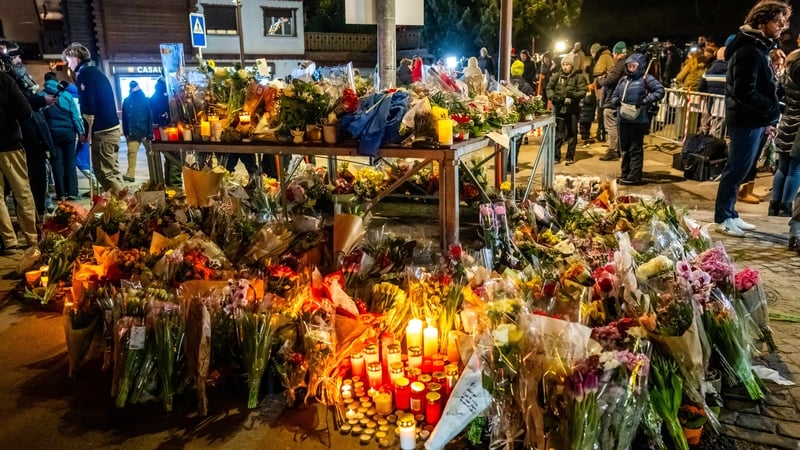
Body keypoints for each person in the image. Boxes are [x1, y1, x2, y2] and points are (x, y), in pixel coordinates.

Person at [714, 0, 791, 237]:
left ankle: (731, 213)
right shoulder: (748, 50)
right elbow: (744, 90)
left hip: (754, 120)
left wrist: (767, 117)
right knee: (736, 169)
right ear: (762, 22)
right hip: (745, 120)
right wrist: (771, 109)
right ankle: (723, 217)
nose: (782, 27)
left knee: (743, 169)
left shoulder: (757, 47)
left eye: (784, 22)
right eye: (777, 22)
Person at [62, 42, 124, 193]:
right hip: (111, 128)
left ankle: (124, 205)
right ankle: (126, 205)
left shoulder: (85, 74)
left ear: (75, 58)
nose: (68, 66)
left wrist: (85, 131)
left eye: (68, 61)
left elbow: (88, 105)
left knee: (105, 173)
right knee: (113, 171)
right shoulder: (95, 71)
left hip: (102, 131)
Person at [610, 53, 665, 185]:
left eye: (634, 66)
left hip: (638, 119)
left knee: (635, 148)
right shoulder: (623, 80)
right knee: (624, 148)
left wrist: (644, 101)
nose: (631, 68)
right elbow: (614, 94)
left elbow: (660, 91)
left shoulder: (646, 79)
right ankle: (625, 173)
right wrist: (616, 101)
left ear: (640, 66)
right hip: (623, 119)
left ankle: (634, 176)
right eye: (629, 66)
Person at [0, 71, 39, 254]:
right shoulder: (4, 80)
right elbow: (25, 111)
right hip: (9, 144)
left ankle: (9, 241)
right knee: (22, 191)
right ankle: (31, 237)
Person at [41, 77, 84, 200]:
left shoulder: (42, 96)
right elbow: (75, 116)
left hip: (52, 136)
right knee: (70, 161)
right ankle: (72, 192)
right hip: (68, 134)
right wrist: (80, 131)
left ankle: (61, 194)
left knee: (56, 163)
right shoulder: (66, 95)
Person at [769, 50, 800, 216]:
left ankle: (774, 205)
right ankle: (786, 206)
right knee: (796, 169)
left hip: (787, 122)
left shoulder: (786, 75)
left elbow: (776, 96)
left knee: (783, 167)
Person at [546, 53, 588, 165]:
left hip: (572, 110)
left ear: (572, 66)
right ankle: (556, 156)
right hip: (559, 109)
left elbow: (583, 91)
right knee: (558, 134)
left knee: (572, 134)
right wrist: (553, 97)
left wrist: (573, 95)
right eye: (563, 64)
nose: (565, 67)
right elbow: (549, 87)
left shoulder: (578, 77)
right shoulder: (556, 76)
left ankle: (570, 156)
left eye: (567, 65)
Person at [596, 41, 628, 161]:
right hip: (619, 99)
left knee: (611, 125)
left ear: (617, 53)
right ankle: (619, 149)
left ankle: (612, 150)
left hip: (612, 99)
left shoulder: (619, 65)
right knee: (616, 125)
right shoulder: (627, 64)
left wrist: (600, 80)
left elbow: (611, 80)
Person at [121, 80, 152, 183]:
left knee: (132, 153)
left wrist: (126, 131)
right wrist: (150, 132)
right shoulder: (145, 100)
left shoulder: (127, 100)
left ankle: (130, 174)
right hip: (143, 131)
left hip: (133, 132)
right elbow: (150, 116)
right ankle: (153, 174)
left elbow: (125, 118)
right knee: (150, 153)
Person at [591, 43, 614, 142]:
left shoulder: (603, 58)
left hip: (602, 92)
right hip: (603, 91)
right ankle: (602, 133)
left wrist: (598, 81)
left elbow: (599, 74)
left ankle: (601, 134)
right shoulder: (607, 57)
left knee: (601, 113)